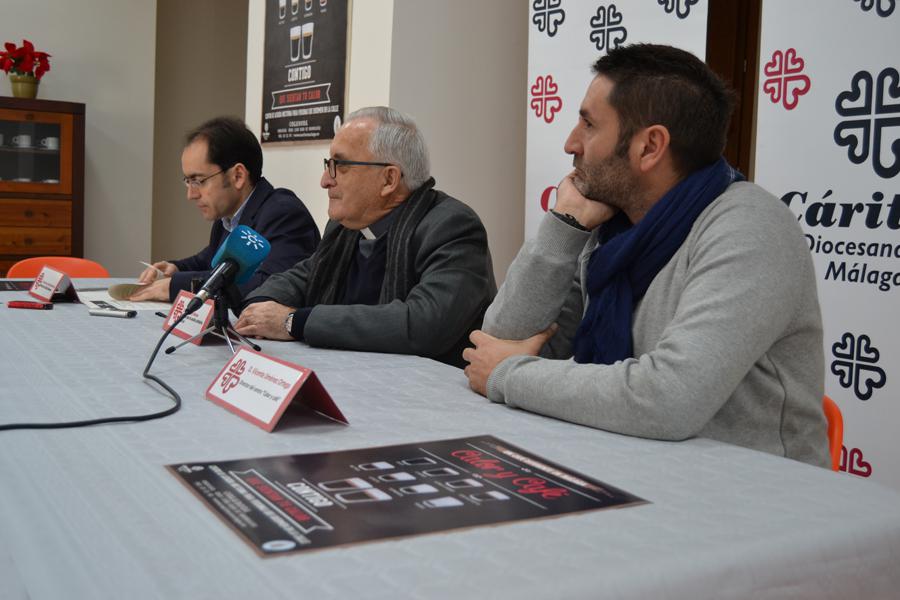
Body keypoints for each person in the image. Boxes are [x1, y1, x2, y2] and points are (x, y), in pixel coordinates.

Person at [463, 44, 829, 467]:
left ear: (650, 147)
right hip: (625, 467)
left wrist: (510, 374)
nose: (570, 143)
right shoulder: (613, 229)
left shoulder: (750, 228)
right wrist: (564, 226)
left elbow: (669, 398)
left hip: (754, 491)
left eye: (588, 124)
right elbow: (499, 341)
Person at [234, 106, 496, 368]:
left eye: (340, 165)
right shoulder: (344, 229)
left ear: (389, 179)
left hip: (426, 386)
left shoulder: (451, 226)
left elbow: (424, 324)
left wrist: (294, 322)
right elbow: (302, 277)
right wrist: (260, 306)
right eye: (328, 165)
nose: (325, 180)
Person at [130, 116, 320, 302]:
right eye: (188, 181)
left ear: (238, 176)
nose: (191, 195)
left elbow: (267, 285)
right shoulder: (228, 218)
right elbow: (207, 261)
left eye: (198, 181)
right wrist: (176, 268)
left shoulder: (283, 214)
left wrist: (177, 286)